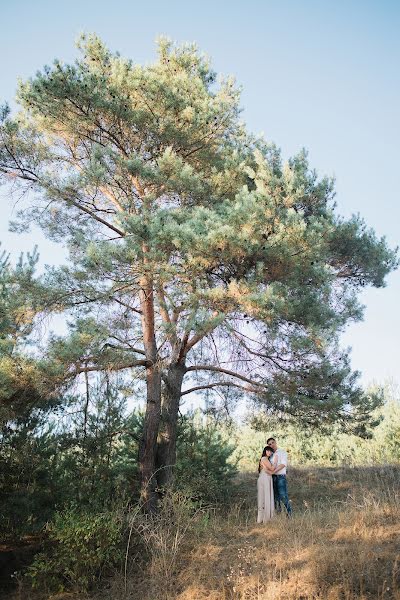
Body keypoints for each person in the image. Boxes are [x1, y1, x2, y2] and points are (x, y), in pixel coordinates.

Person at [267, 437, 292, 517]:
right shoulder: (270, 455)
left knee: (283, 496)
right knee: (275, 497)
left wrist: (273, 471)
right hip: (272, 478)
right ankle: (279, 515)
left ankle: (289, 515)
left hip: (280, 477)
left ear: (275, 442)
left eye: (272, 443)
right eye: (269, 444)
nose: (271, 445)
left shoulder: (282, 452)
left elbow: (283, 464)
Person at [257, 445, 275, 523]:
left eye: (271, 451)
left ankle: (262, 518)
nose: (269, 452)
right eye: (268, 451)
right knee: (265, 496)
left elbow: (270, 471)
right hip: (265, 478)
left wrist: (271, 472)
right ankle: (266, 518)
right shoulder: (264, 458)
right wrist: (276, 461)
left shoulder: (264, 459)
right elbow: (272, 468)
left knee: (263, 497)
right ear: (265, 451)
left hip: (265, 477)